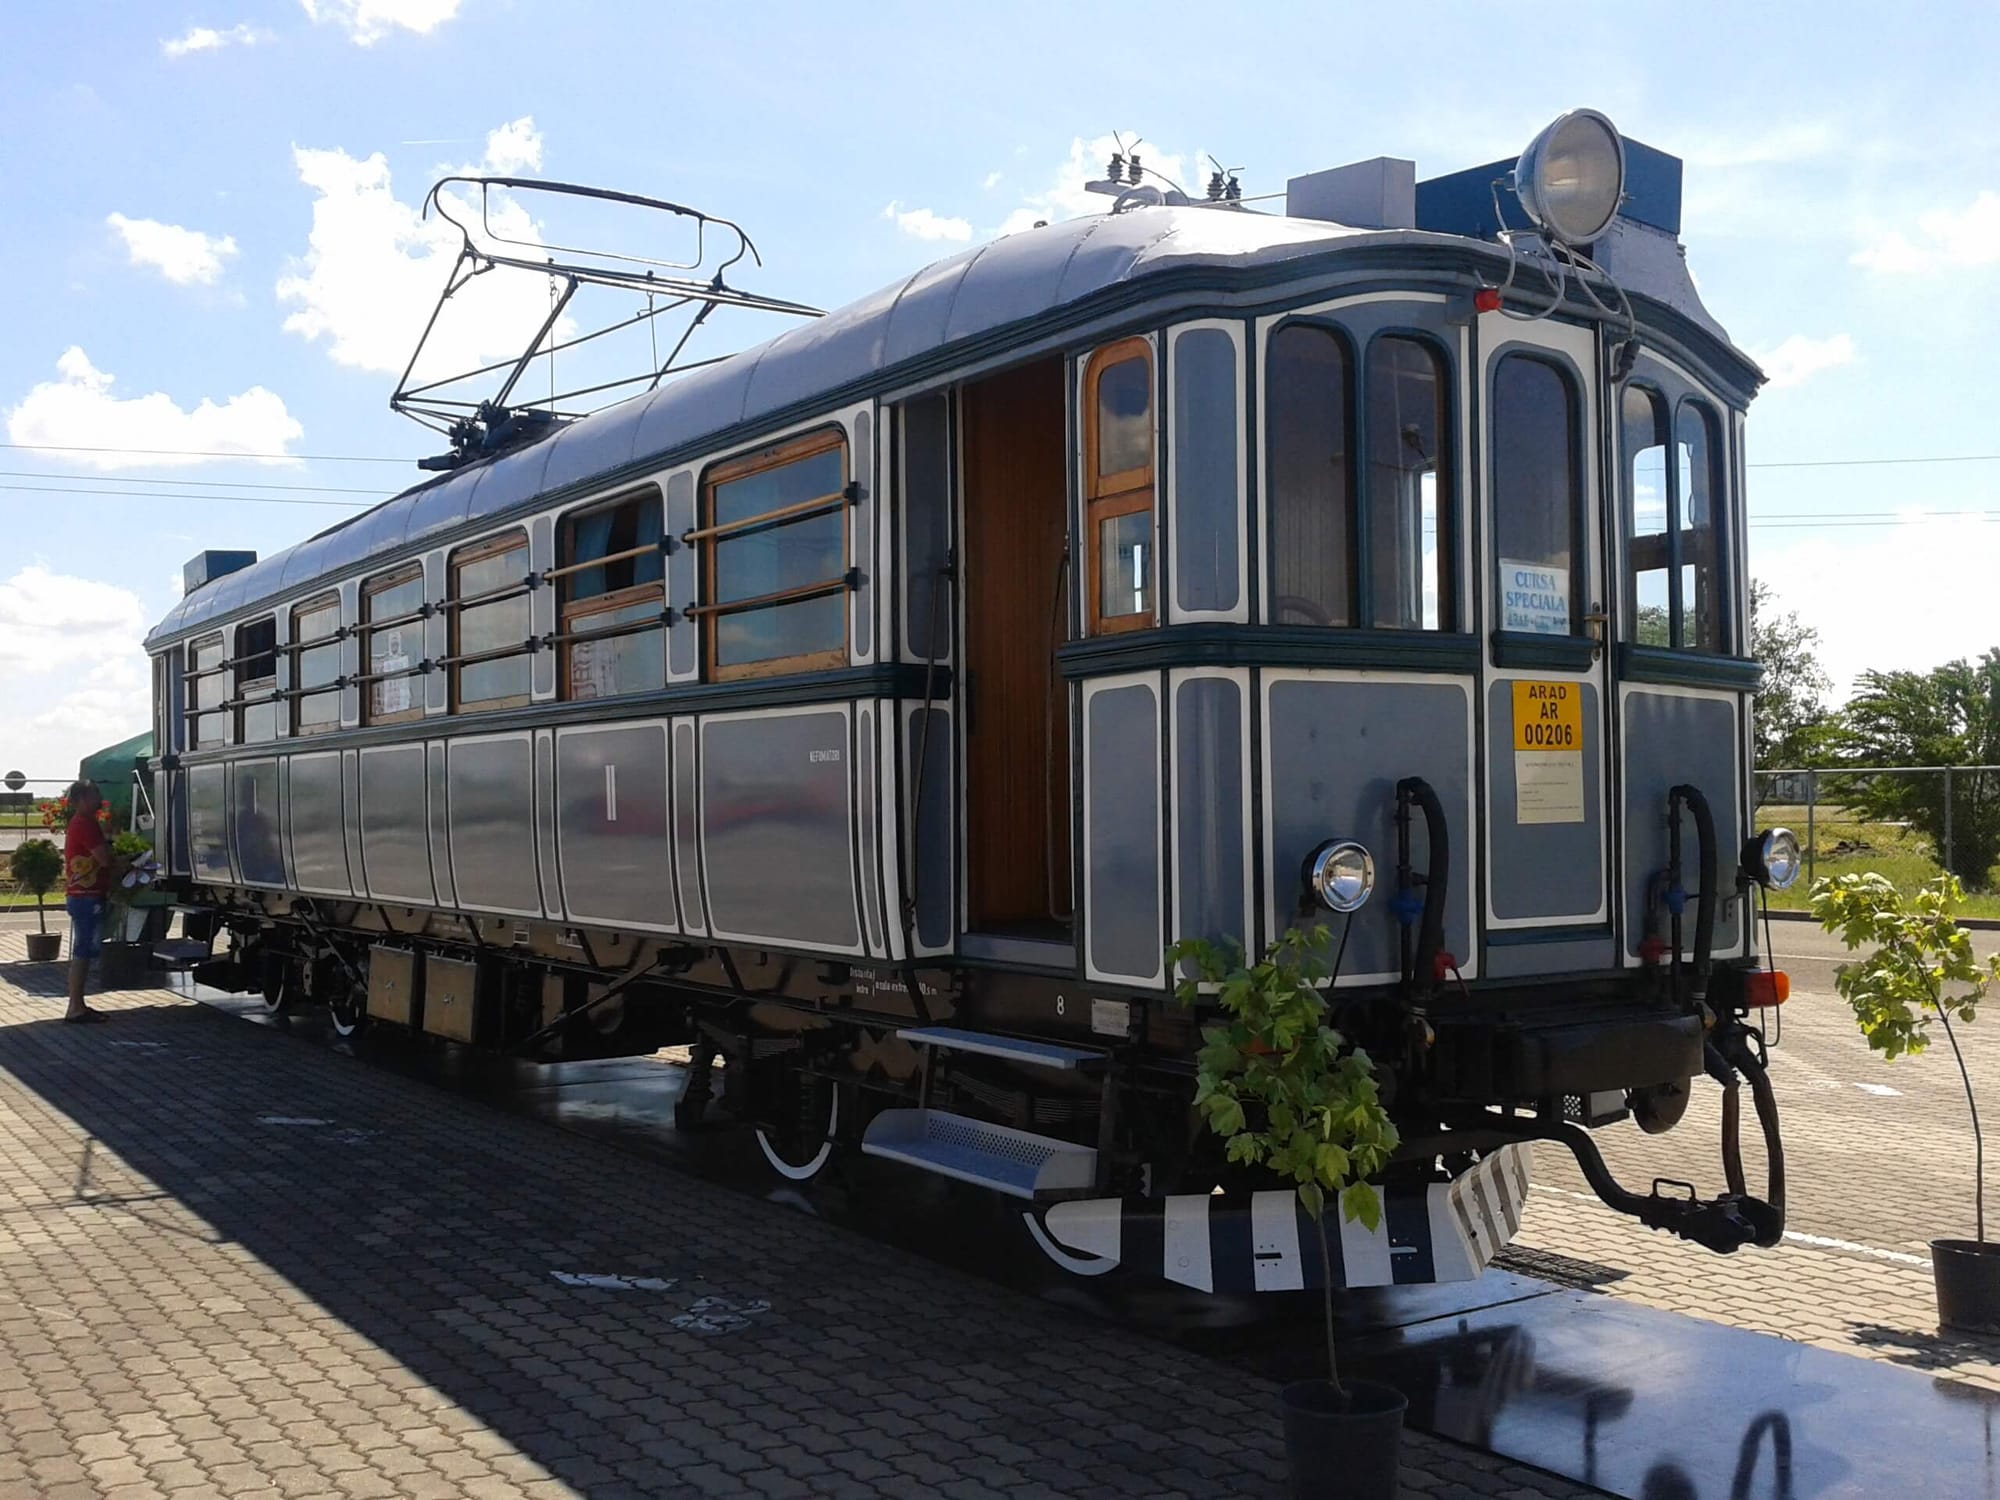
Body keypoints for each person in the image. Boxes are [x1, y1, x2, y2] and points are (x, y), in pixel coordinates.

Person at [61, 779, 118, 1023]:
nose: (100, 799)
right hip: (85, 895)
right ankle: (75, 1006)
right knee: (83, 950)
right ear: (82, 799)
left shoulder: (85, 823)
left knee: (84, 949)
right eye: (95, 795)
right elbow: (103, 858)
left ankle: (78, 1004)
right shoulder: (84, 824)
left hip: (84, 894)